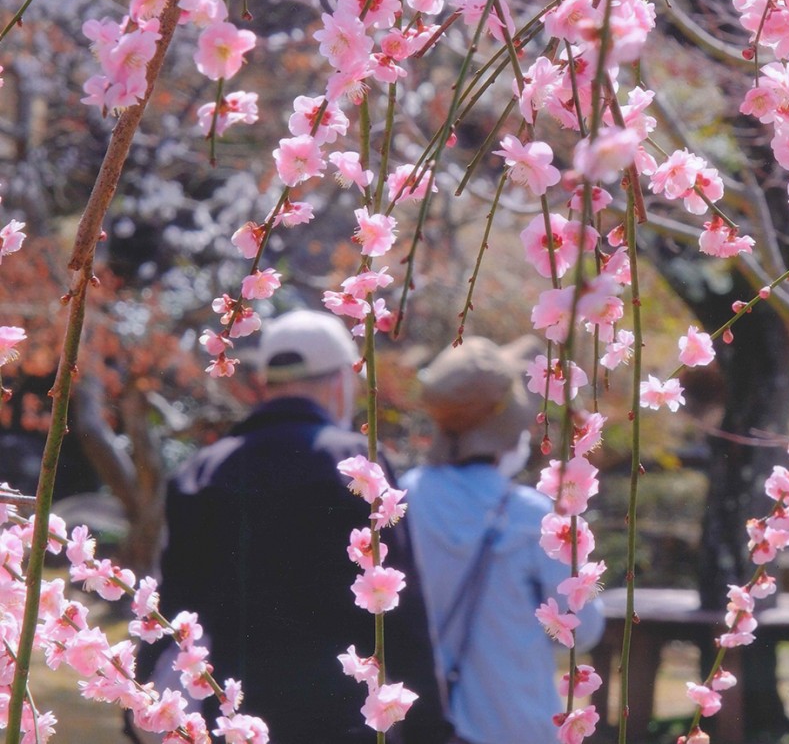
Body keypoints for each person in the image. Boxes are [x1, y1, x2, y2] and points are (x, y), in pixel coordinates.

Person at [144, 309, 449, 744]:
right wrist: (429, 730)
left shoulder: (201, 473)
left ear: (266, 383)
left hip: (234, 717)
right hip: (343, 720)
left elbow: (171, 607)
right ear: (341, 381)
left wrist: (140, 699)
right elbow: (400, 609)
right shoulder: (357, 467)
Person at [401, 336, 604, 744]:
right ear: (509, 429)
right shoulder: (532, 517)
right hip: (515, 723)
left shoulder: (401, 499)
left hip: (424, 723)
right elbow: (583, 629)